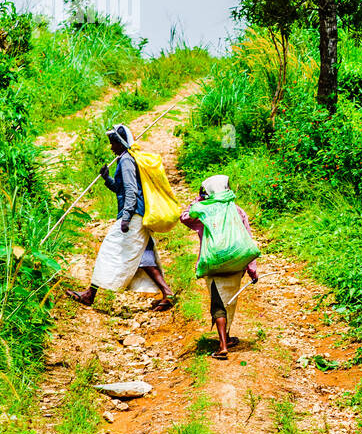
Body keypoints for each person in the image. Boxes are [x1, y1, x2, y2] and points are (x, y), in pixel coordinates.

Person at [65, 124, 174, 311]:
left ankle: (90, 294)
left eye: (112, 143)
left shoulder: (125, 160)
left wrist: (125, 218)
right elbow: (122, 189)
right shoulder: (125, 159)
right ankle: (168, 293)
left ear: (120, 143)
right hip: (137, 214)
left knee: (109, 249)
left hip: (132, 215)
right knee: (143, 255)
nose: (110, 147)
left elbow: (131, 191)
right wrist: (107, 179)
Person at [180, 174, 259, 359]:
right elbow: (247, 239)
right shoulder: (237, 211)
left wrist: (200, 199)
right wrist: (252, 269)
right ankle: (227, 337)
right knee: (229, 300)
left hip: (214, 263)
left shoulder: (204, 210)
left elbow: (184, 217)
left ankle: (223, 345)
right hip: (236, 263)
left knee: (218, 302)